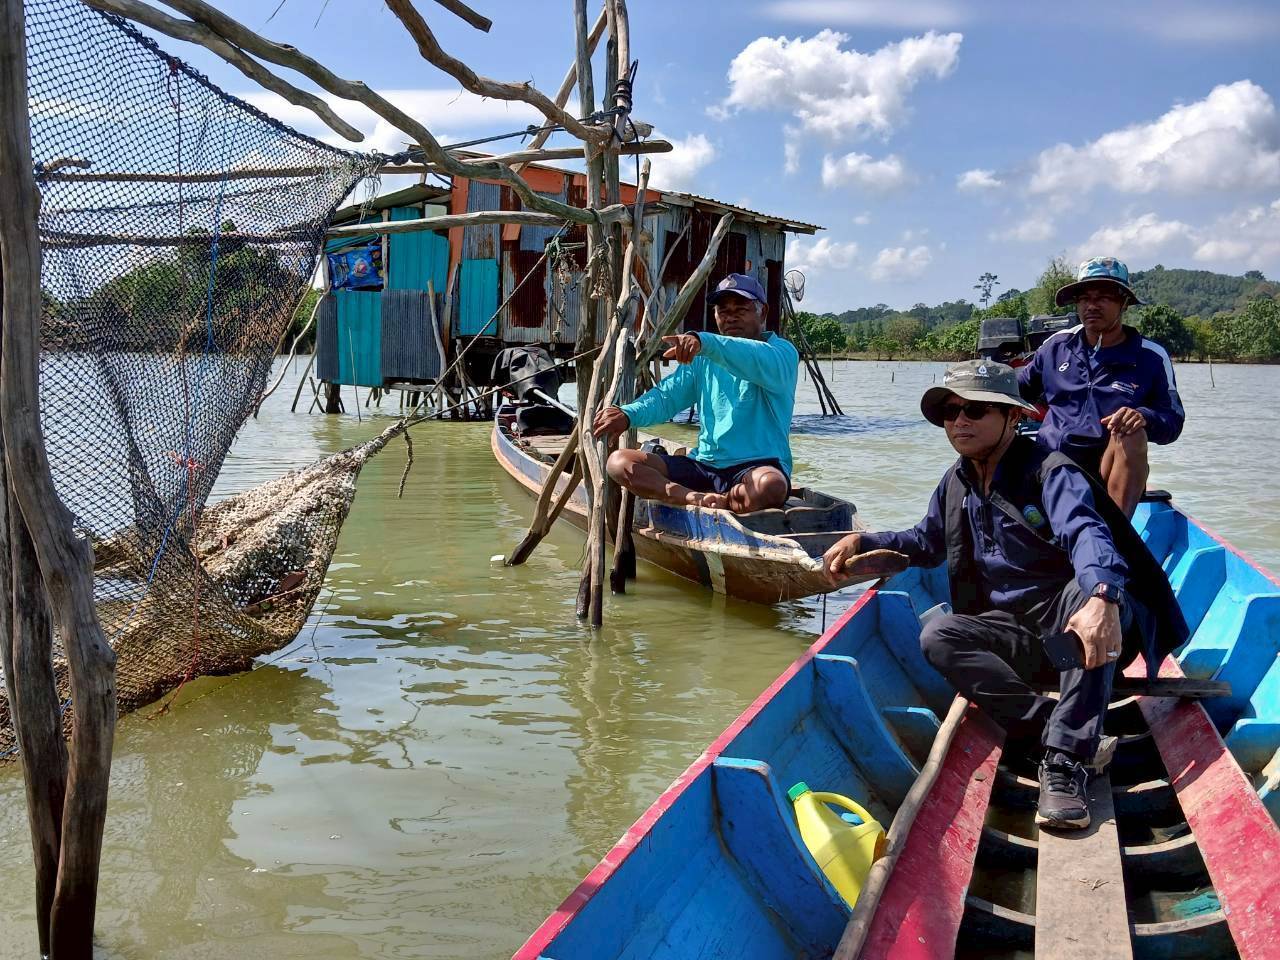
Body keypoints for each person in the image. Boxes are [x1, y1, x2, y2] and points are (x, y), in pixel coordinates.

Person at [821, 359, 1187, 830]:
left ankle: (1065, 762)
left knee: (1082, 597)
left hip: (1083, 639)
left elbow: (1087, 533)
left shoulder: (1050, 472)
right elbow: (926, 541)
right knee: (938, 635)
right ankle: (1053, 726)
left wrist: (1102, 596)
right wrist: (865, 541)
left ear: (1013, 417)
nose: (960, 421)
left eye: (975, 410)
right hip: (1023, 643)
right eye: (951, 412)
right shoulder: (957, 482)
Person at [592, 273, 799, 513]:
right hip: (704, 466)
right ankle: (692, 498)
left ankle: (725, 501)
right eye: (723, 311)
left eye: (741, 309)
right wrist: (627, 414)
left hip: (756, 468)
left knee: (771, 486)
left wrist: (704, 342)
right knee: (619, 462)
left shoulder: (782, 353)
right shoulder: (704, 359)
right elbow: (667, 398)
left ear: (762, 313)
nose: (730, 317)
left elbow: (752, 357)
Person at [1018, 256, 1185, 517]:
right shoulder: (1056, 346)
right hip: (1050, 464)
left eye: (1104, 297)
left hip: (1107, 475)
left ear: (1124, 303)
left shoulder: (1151, 357)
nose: (1092, 305)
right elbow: (1016, 391)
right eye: (1084, 298)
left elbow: (1172, 421)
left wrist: (1144, 416)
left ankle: (1117, 533)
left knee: (1132, 434)